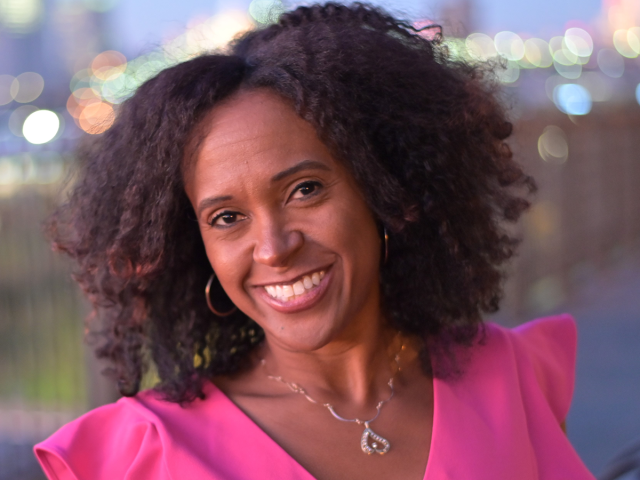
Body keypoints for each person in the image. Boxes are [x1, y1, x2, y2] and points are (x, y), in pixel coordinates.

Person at [34, 3, 595, 479]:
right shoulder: (140, 454)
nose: (274, 247)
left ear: (384, 186)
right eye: (227, 218)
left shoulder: (517, 379)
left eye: (305, 190)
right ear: (193, 244)